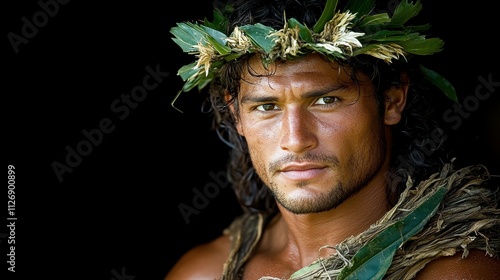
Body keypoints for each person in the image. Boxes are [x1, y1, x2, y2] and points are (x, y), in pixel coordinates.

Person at [166, 0, 500, 279]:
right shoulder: (205, 271)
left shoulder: (459, 270)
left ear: (392, 100)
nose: (296, 140)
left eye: (326, 101)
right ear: (237, 115)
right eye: (267, 106)